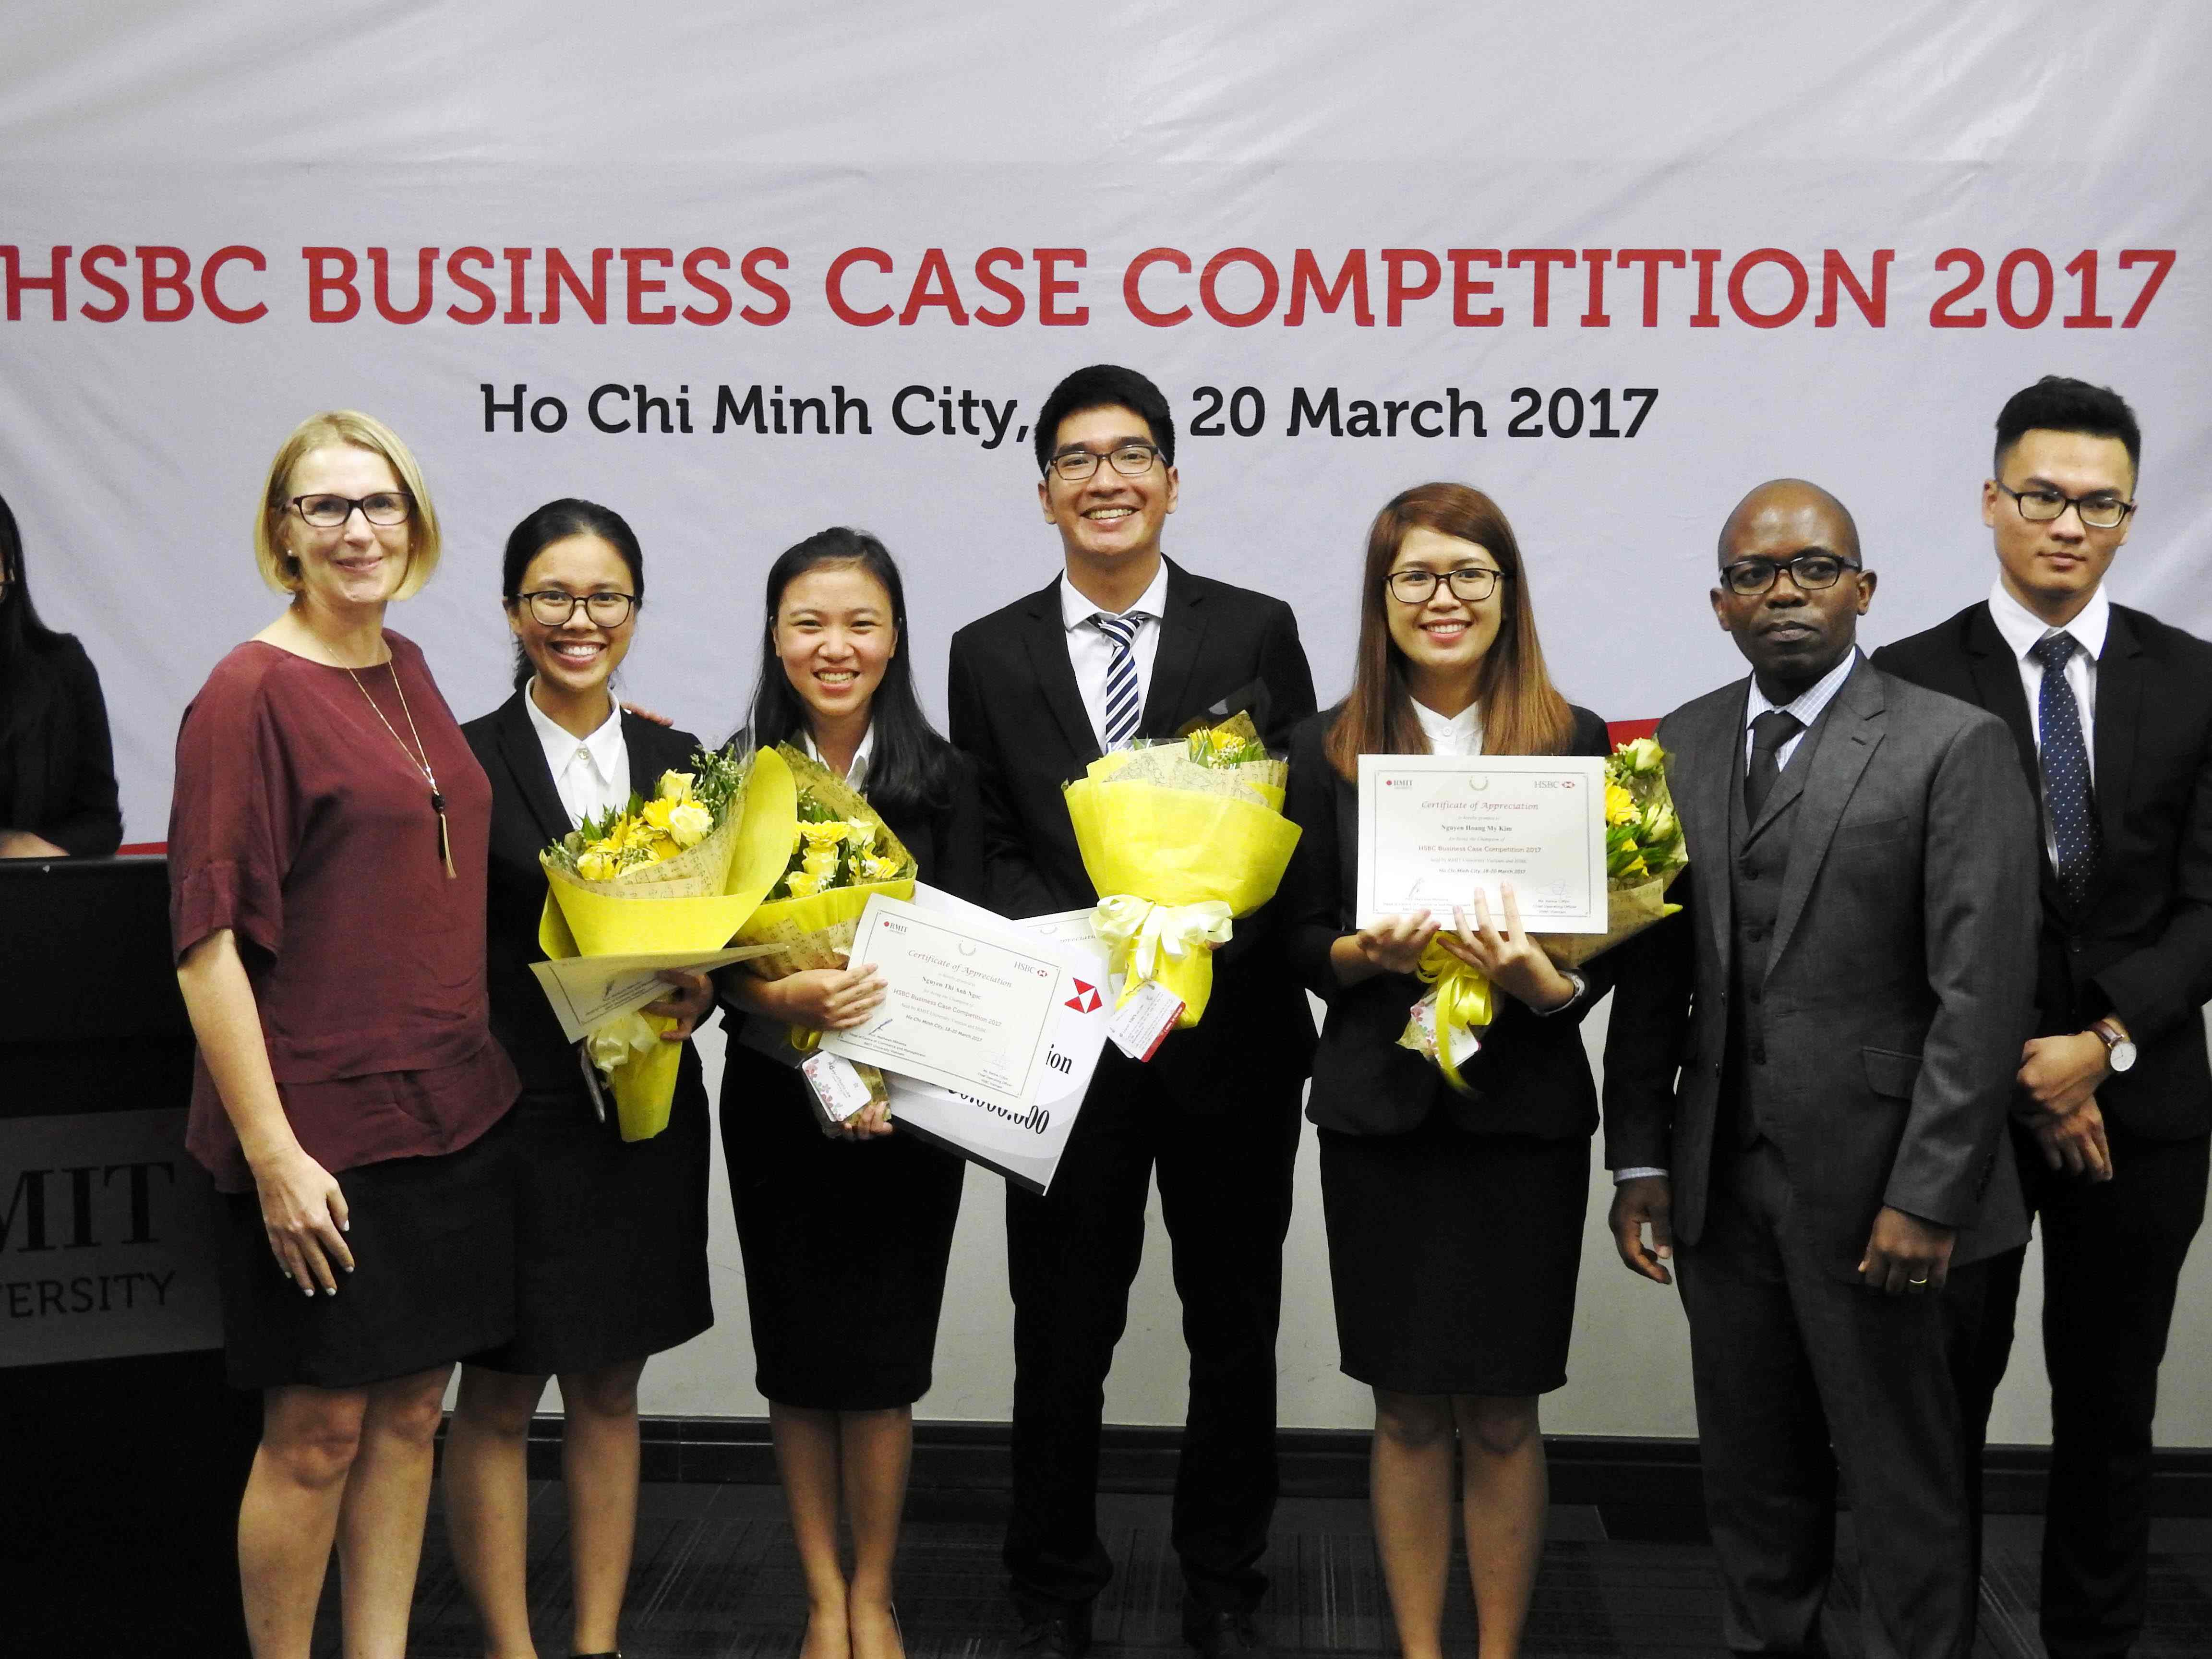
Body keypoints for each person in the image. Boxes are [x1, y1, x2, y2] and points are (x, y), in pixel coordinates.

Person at [1601, 479, 2039, 1659]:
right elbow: (1651, 974)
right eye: (1752, 574)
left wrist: (1926, 1195)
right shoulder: (1677, 743)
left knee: (1906, 1493)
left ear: (1863, 590)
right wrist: (1640, 1153)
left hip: (1892, 1199)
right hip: (1722, 1193)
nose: (1781, 591)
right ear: (1718, 603)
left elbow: (1980, 993)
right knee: (1753, 1484)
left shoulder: (1955, 742)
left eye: (1809, 567)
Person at [947, 364, 1317, 1659]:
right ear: (1044, 489)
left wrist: (1195, 934)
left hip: (1230, 1041)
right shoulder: (984, 650)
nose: (1106, 480)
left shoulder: (1255, 629)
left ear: (1171, 479)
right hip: (1063, 1046)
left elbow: (1284, 817)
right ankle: (1051, 1584)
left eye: (1132, 456)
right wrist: (1084, 950)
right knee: (1060, 1332)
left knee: (1235, 1323)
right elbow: (983, 835)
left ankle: (1227, 1574)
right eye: (1077, 461)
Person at [169, 411, 520, 1659]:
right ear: (284, 533)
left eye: (381, 504)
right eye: (328, 508)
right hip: (317, 1140)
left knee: (414, 1414)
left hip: (450, 1114)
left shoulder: (409, 666)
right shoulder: (246, 694)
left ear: (414, 523)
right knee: (313, 1436)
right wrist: (270, 1155)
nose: (359, 530)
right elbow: (207, 945)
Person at [1873, 376, 2212, 1659]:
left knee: (2111, 1414)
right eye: (2044, 497)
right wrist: (2028, 1068)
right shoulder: (1906, 681)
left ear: (2130, 517)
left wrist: (2103, 1047)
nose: (2068, 523)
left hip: (2146, 1107)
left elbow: (2207, 902)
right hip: (1964, 1113)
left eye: (2099, 503)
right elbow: (1900, 915)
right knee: (1937, 1414)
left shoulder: (2195, 683)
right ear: (1992, 503)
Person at [1279, 483, 1611, 1659]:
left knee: (1509, 1409)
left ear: (1507, 594)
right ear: (1381, 599)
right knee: (1410, 1405)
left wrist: (1539, 981)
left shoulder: (1578, 742)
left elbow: (1599, 947)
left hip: (1522, 1117)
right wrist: (1360, 955)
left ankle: (1499, 1647)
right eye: (1415, 576)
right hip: (1382, 1115)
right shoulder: (1321, 748)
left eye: (1470, 574)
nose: (1443, 599)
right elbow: (1294, 931)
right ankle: (1420, 1647)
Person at [444, 500, 719, 1659]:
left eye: (605, 597)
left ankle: (599, 1640)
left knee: (610, 1386)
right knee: (500, 1394)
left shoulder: (683, 764)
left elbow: (722, 935)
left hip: (643, 1112)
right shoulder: (459, 761)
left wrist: (705, 987)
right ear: (513, 609)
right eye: (552, 596)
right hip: (508, 1115)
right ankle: (511, 1644)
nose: (579, 620)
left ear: (635, 612)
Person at [718, 527, 981, 1659]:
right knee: (795, 1353)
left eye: (860, 622)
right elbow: (707, 959)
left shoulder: (949, 779)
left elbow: (979, 952)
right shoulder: (731, 778)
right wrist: (791, 1005)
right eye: (809, 622)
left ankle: (873, 1591)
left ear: (895, 637)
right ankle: (820, 1592)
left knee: (879, 1364)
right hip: (779, 1098)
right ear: (775, 638)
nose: (836, 645)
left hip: (910, 1109)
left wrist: (886, 1064)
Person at [0, 490, 122, 856]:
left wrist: (13, 847)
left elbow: (100, 824)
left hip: (32, 901)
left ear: (9, 572)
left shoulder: (63, 669)